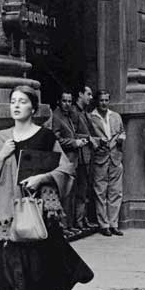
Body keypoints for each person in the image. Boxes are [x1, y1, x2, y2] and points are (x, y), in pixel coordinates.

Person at [0, 85, 90, 290]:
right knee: (9, 280)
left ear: (34, 108)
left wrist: (41, 179)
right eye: (13, 102)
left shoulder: (45, 137)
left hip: (38, 214)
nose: (16, 106)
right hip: (6, 217)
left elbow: (65, 168)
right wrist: (3, 156)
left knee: (42, 273)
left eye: (22, 102)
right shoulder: (0, 139)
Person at [50, 91, 91, 233]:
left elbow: (72, 133)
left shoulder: (68, 116)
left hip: (74, 159)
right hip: (64, 160)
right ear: (58, 102)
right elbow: (56, 139)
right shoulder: (56, 116)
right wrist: (74, 142)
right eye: (64, 101)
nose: (67, 104)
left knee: (73, 193)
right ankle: (64, 226)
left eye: (69, 101)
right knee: (65, 194)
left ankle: (70, 224)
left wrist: (82, 139)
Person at [88, 90, 125, 236]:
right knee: (100, 192)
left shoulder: (116, 116)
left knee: (116, 191)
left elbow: (122, 131)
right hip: (100, 157)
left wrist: (122, 137)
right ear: (97, 101)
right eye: (101, 100)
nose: (104, 103)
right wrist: (97, 142)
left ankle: (113, 223)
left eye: (106, 100)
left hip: (116, 157)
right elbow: (88, 137)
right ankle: (103, 225)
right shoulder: (91, 117)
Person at [72, 85, 98, 229]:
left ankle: (84, 219)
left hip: (88, 156)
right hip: (80, 157)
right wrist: (89, 138)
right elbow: (72, 134)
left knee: (85, 189)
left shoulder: (85, 113)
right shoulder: (74, 112)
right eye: (88, 94)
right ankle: (79, 221)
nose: (91, 97)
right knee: (80, 190)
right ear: (80, 94)